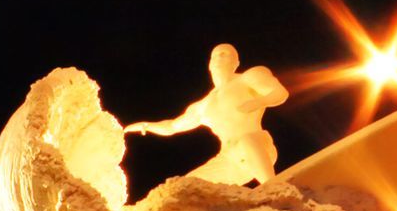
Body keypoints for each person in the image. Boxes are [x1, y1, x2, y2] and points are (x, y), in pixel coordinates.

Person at [123, 43, 289, 185]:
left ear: (236, 62)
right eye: (215, 56)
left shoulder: (248, 78)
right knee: (184, 185)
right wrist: (145, 125)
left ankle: (274, 188)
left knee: (246, 142)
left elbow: (280, 93)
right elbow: (172, 126)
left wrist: (259, 101)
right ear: (209, 64)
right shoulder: (203, 106)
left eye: (224, 54)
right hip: (228, 158)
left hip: (257, 146)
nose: (218, 58)